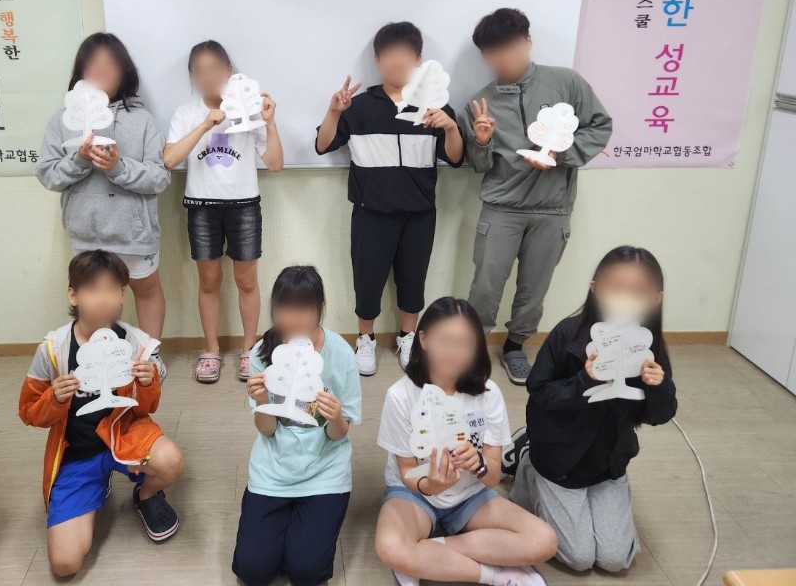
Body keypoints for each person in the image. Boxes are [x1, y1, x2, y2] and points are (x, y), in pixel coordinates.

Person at [457, 8, 612, 385]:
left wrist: (560, 154)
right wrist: (481, 141)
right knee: (486, 284)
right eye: (492, 52)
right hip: (501, 207)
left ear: (527, 42)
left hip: (552, 208)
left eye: (509, 47)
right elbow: (478, 164)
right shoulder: (479, 103)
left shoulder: (566, 83)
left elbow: (599, 126)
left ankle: (515, 346)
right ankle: (474, 347)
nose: (502, 58)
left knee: (534, 287)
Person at [506, 246, 676, 573]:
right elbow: (539, 390)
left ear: (655, 299)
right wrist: (584, 380)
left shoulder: (648, 345)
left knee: (615, 559)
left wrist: (659, 386)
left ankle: (568, 486)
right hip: (559, 459)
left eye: (637, 292)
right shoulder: (567, 334)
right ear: (595, 289)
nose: (625, 299)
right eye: (616, 288)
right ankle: (527, 459)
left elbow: (659, 415)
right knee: (579, 557)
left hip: (608, 465)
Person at [19, 250, 184, 576]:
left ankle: (146, 494)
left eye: (112, 289)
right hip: (76, 452)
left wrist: (148, 383)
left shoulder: (136, 343)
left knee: (170, 460)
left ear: (122, 295)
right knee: (65, 564)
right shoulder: (53, 349)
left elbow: (147, 408)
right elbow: (28, 412)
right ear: (73, 295)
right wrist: (54, 397)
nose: (103, 298)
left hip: (124, 436)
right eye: (93, 289)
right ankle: (95, 482)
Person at [375, 297, 557, 586]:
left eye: (465, 344)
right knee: (389, 547)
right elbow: (407, 470)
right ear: (423, 339)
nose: (454, 353)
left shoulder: (488, 393)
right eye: (445, 341)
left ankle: (425, 554)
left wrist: (479, 465)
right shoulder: (401, 395)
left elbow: (493, 475)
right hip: (414, 494)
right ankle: (496, 575)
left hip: (470, 494)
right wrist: (432, 485)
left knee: (544, 540)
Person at [315, 22, 464, 376]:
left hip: (419, 213)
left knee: (413, 278)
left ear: (419, 61)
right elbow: (323, 145)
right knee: (367, 278)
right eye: (390, 55)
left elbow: (456, 158)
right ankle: (365, 339)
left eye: (406, 55)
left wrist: (450, 126)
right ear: (378, 60)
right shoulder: (359, 106)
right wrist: (334, 112)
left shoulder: (435, 106)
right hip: (371, 212)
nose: (398, 62)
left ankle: (408, 336)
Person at [36, 32, 171, 380]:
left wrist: (118, 167)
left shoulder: (142, 120)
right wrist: (80, 160)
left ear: (124, 71)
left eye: (110, 64)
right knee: (95, 297)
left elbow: (160, 178)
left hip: (134, 233)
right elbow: (48, 176)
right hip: (87, 233)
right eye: (93, 63)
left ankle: (149, 357)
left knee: (146, 289)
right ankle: (101, 360)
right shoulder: (61, 121)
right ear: (80, 72)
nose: (101, 70)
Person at [232, 266, 362, 586]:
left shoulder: (341, 355)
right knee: (252, 570)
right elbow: (266, 430)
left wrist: (335, 417)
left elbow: (339, 434)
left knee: (306, 572)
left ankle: (301, 531)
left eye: (303, 309)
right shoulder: (264, 353)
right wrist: (262, 400)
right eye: (284, 308)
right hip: (274, 469)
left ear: (321, 308)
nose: (292, 318)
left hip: (324, 471)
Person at [164, 40, 284, 383]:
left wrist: (269, 123)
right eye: (199, 71)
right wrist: (205, 124)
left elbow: (275, 164)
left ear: (229, 71)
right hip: (202, 207)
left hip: (243, 204)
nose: (208, 77)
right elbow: (169, 159)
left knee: (246, 281)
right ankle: (212, 350)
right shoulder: (186, 113)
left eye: (215, 69)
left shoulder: (249, 109)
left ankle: (249, 350)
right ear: (192, 76)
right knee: (209, 281)